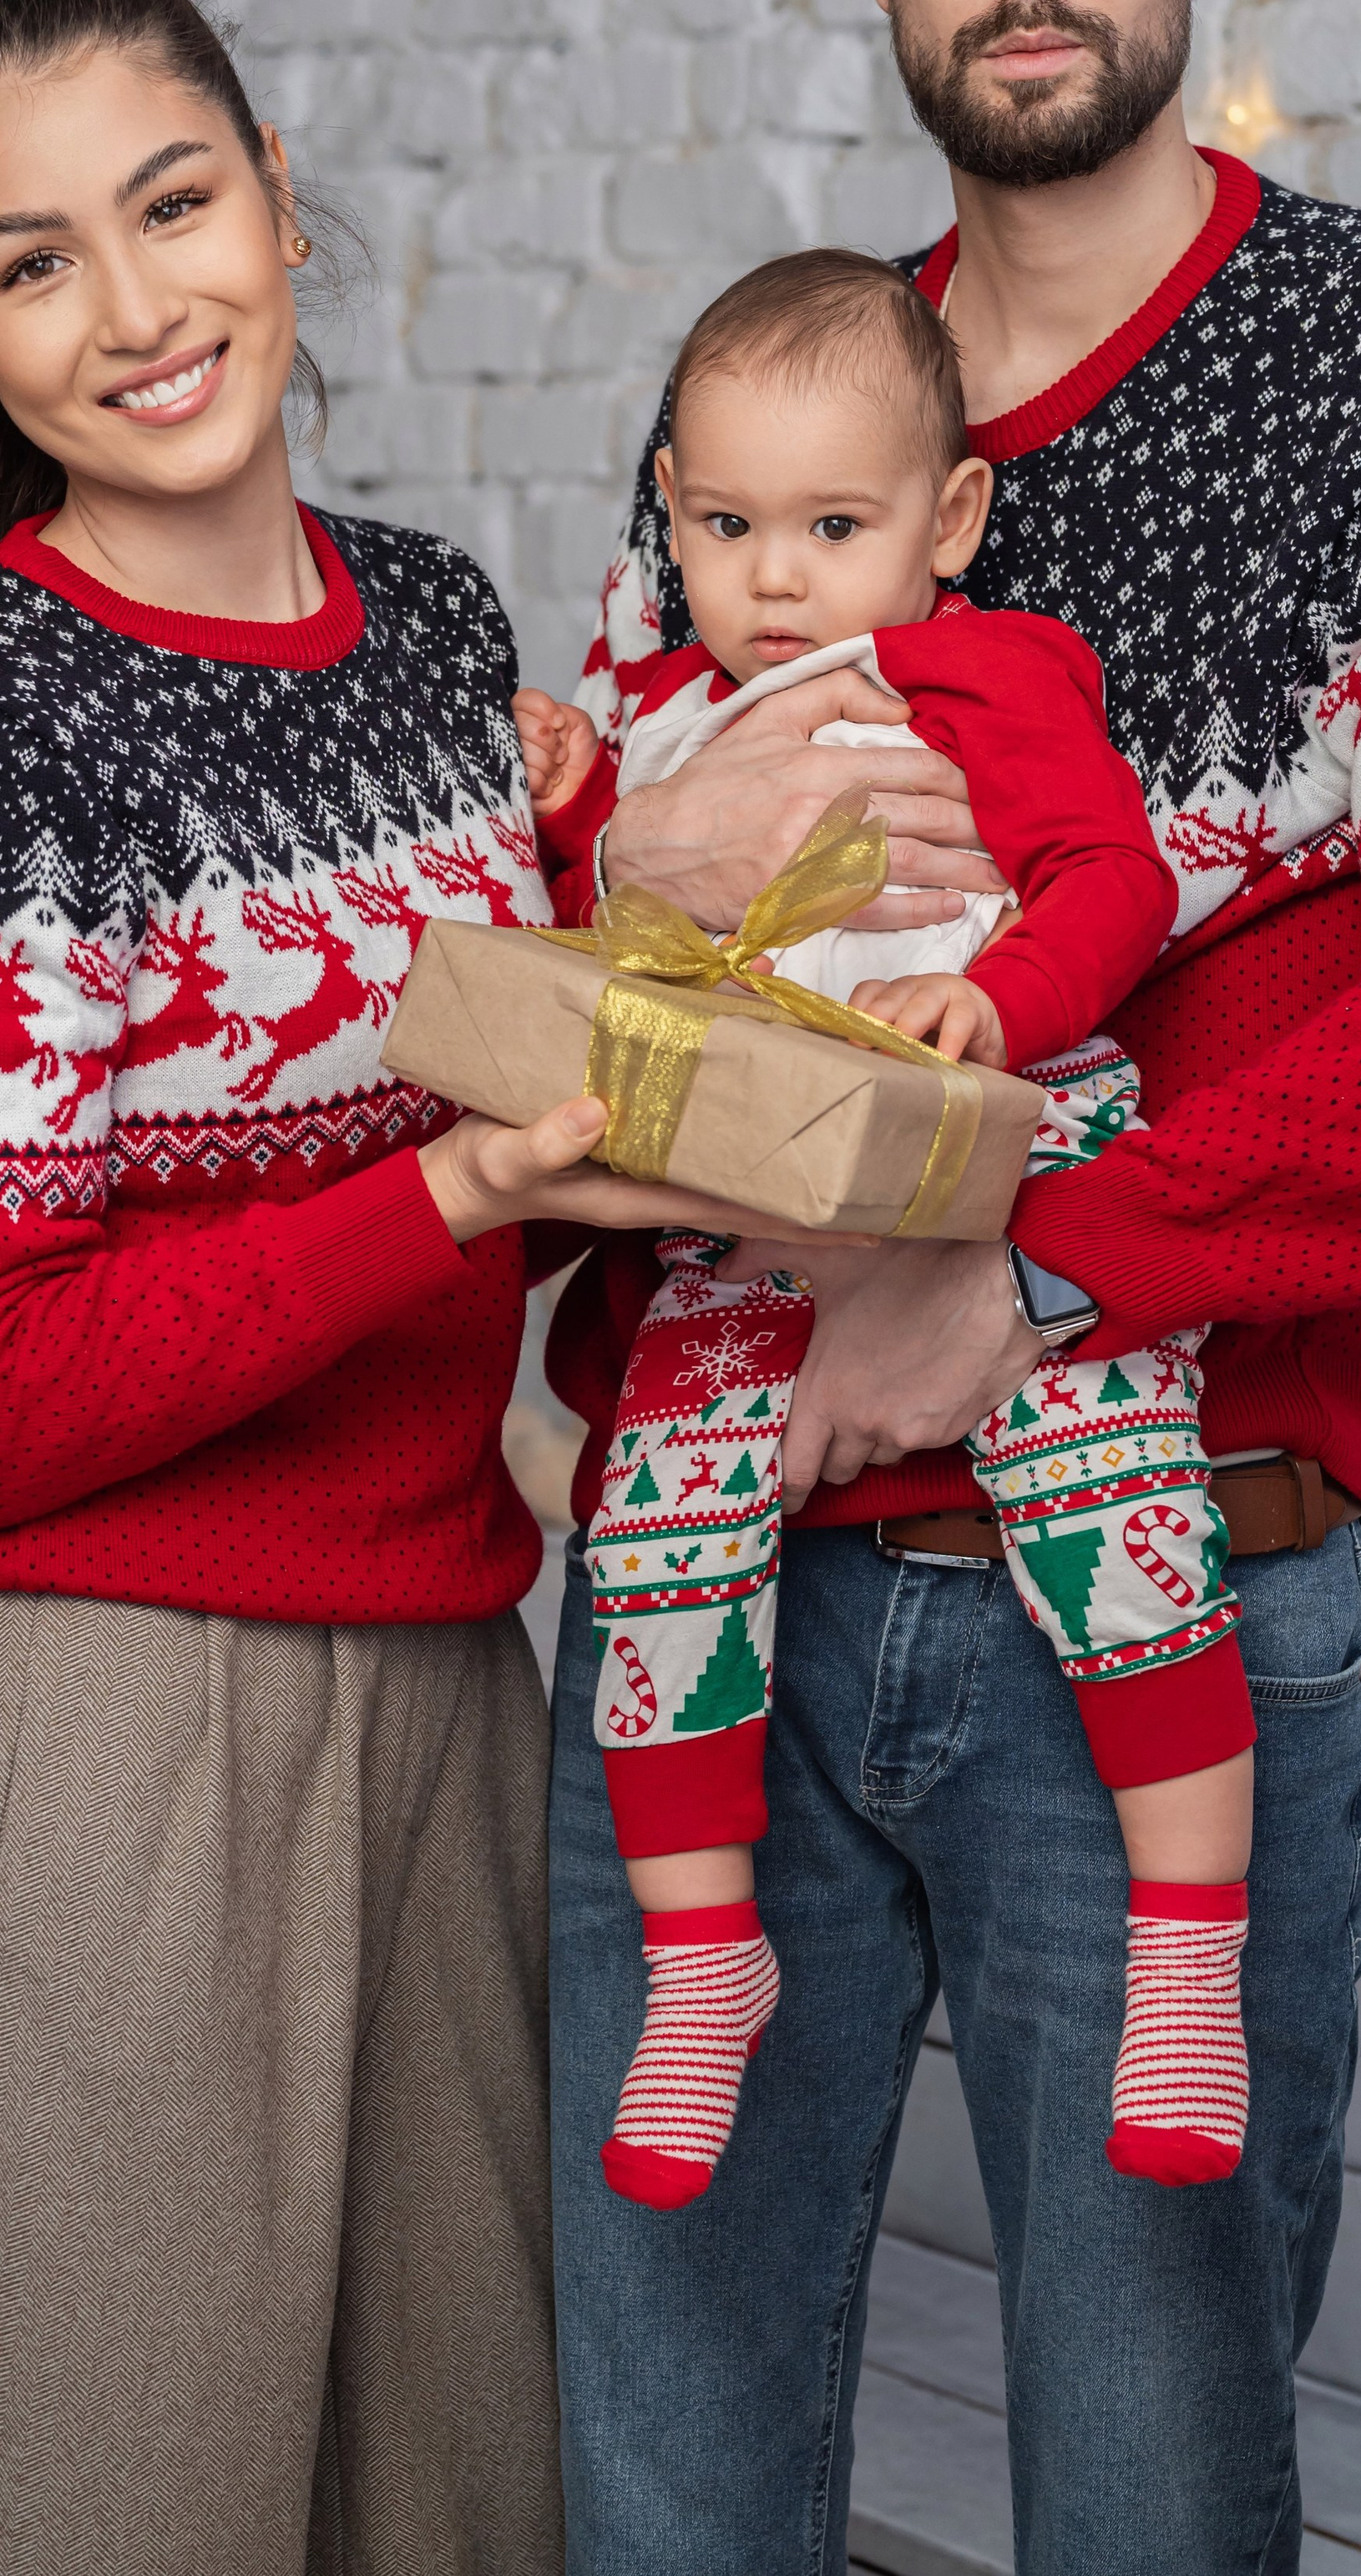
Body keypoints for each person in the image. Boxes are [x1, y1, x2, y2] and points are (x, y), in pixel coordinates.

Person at [543, 0, 1361, 2572]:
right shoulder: (774, 418)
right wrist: (611, 894)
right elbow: (564, 992)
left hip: (1174, 1592)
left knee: (1161, 2509)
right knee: (662, 2486)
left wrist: (1036, 1259)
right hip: (718, 1593)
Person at [0, 0, 825, 2576]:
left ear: (279, 203)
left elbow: (500, 1072)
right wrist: (453, 1183)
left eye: (173, 203)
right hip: (89, 1747)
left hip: (448, 1691)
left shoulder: (450, 634)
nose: (136, 311)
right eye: (32, 265)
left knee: (435, 2525)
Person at [519, 245, 1254, 2212]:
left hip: (996, 1139)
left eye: (832, 528)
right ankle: (701, 1956)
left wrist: (1002, 998)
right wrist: (566, 805)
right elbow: (589, 951)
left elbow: (1117, 878)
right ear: (666, 504)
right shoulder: (663, 719)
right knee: (657, 1518)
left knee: (1114, 1489)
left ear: (946, 521)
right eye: (726, 525)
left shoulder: (984, 676)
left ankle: (1185, 1945)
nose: (773, 578)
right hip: (752, 1204)